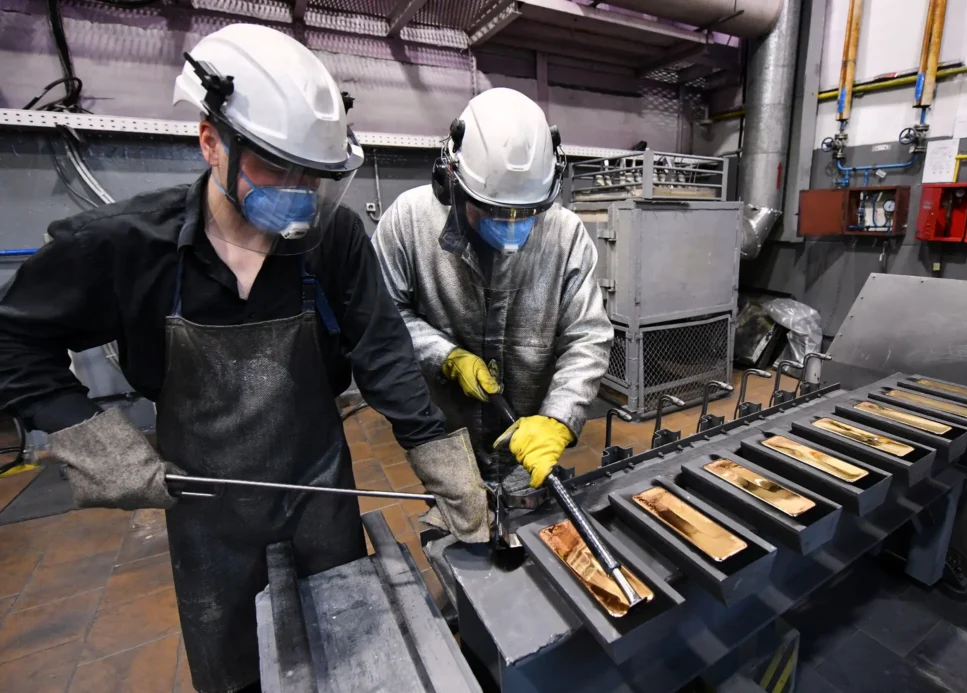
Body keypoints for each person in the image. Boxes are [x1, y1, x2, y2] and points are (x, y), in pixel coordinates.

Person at [0, 24, 487, 693]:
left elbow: (382, 350)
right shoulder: (128, 246)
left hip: (320, 490)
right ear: (211, 142)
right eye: (274, 167)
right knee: (235, 668)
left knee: (348, 656)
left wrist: (440, 460)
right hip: (204, 507)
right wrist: (92, 440)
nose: (297, 189)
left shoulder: (332, 238)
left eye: (311, 175)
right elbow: (13, 339)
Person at [372, 88, 613, 491]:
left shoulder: (565, 234)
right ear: (452, 182)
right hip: (446, 437)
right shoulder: (409, 221)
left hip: (527, 439)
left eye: (528, 213)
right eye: (494, 210)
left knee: (527, 524)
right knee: (459, 522)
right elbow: (384, 313)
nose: (512, 224)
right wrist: (445, 356)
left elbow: (588, 335)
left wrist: (559, 416)